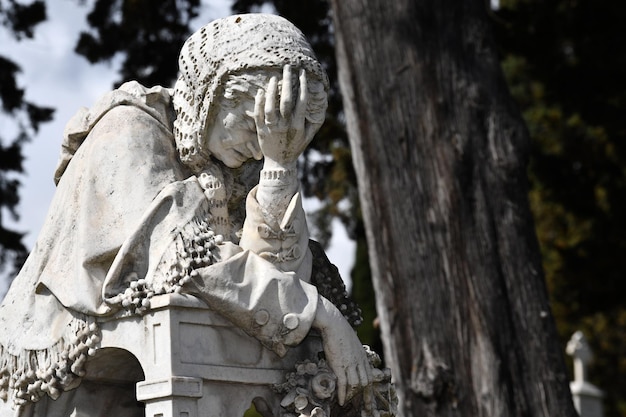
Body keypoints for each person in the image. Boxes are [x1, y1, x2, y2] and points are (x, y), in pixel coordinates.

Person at [0, 14, 370, 417]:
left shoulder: (237, 167)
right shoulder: (129, 130)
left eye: (278, 134)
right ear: (212, 96)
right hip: (69, 393)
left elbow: (272, 285)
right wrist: (320, 312)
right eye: (255, 125)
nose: (260, 145)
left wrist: (280, 167)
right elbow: (188, 259)